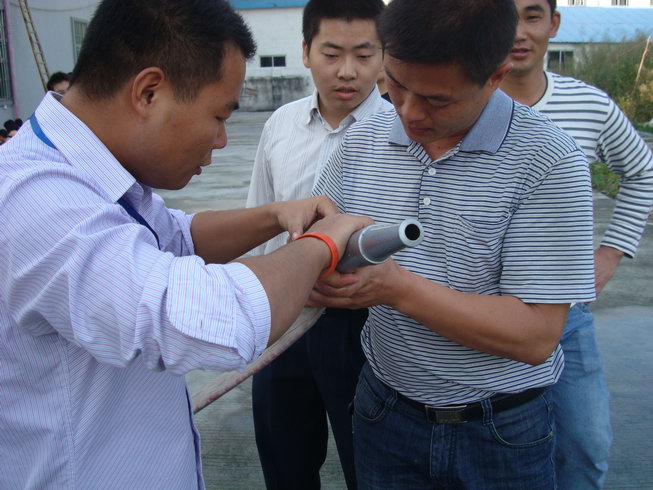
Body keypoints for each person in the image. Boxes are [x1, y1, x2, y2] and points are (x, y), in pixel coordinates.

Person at [0, 1, 371, 488]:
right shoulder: (38, 202)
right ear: (148, 92)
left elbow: (176, 236)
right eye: (218, 116)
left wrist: (276, 215)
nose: (221, 140)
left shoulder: (93, 174)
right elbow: (213, 316)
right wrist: (324, 243)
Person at [310, 0, 598, 487]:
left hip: (501, 429)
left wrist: (397, 288)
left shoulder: (548, 161)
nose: (409, 112)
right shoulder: (361, 141)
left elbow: (535, 336)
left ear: (495, 75)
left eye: (438, 100)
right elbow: (321, 243)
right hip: (384, 411)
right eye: (396, 85)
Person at [499, 1, 653, 488]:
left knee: (584, 446)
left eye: (532, 16)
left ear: (554, 24)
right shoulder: (459, 104)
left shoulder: (589, 105)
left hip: (565, 313)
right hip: (475, 312)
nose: (519, 32)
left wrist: (611, 252)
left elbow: (642, 172)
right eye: (506, 16)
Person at [246, 1, 390, 488]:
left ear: (384, 56)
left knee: (366, 465)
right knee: (285, 462)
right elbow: (260, 218)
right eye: (331, 54)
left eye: (364, 55)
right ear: (305, 52)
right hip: (282, 321)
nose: (347, 71)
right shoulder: (280, 125)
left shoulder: (403, 133)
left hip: (365, 327)